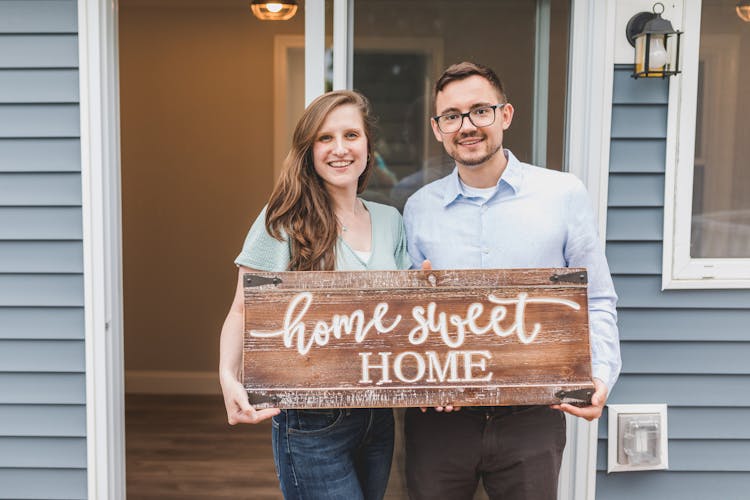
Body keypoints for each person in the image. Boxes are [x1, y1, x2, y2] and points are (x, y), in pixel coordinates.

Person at [402, 61, 621, 500]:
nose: (466, 126)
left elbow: (595, 298)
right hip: (440, 421)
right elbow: (408, 317)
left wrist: (600, 374)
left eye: (479, 110)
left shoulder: (562, 194)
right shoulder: (418, 207)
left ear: (505, 114)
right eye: (452, 116)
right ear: (437, 128)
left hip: (532, 415)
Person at [219, 90, 412, 500]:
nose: (339, 149)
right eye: (325, 138)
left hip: (379, 418)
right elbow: (242, 309)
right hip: (311, 419)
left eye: (351, 135)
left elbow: (405, 317)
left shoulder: (391, 220)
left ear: (367, 147)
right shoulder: (284, 220)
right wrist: (228, 377)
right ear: (308, 151)